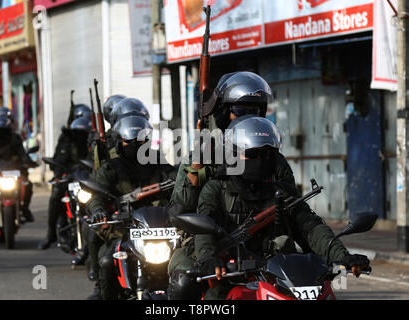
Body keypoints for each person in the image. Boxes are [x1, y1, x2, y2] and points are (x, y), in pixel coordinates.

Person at [170, 116, 370, 300]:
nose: (260, 160)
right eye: (251, 154)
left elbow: (311, 228)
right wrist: (209, 258)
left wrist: (342, 256)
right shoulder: (215, 190)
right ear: (233, 155)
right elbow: (205, 227)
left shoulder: (282, 194)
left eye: (266, 154)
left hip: (281, 277)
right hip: (232, 276)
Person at [167, 72, 298, 299]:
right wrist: (198, 163)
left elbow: (291, 202)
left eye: (254, 111)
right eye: (239, 111)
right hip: (205, 241)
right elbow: (180, 207)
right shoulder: (203, 154)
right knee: (184, 282)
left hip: (262, 241)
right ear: (222, 112)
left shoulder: (270, 157)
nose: (247, 117)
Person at [86, 114, 177, 300]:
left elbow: (176, 180)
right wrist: (98, 210)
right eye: (130, 141)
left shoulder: (157, 161)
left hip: (160, 228)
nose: (136, 145)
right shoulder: (110, 168)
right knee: (106, 261)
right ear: (119, 143)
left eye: (141, 140)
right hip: (123, 230)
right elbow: (96, 196)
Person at [38, 117, 92, 250]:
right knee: (56, 194)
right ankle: (51, 233)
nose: (80, 135)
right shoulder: (66, 141)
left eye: (83, 132)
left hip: (87, 179)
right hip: (68, 178)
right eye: (77, 132)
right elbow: (58, 161)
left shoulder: (93, 141)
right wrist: (58, 176)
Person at [0, 115, 36, 229]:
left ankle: (25, 209)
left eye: (4, 130)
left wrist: (28, 162)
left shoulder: (15, 138)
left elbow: (21, 153)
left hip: (13, 169)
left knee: (28, 184)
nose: (1, 133)